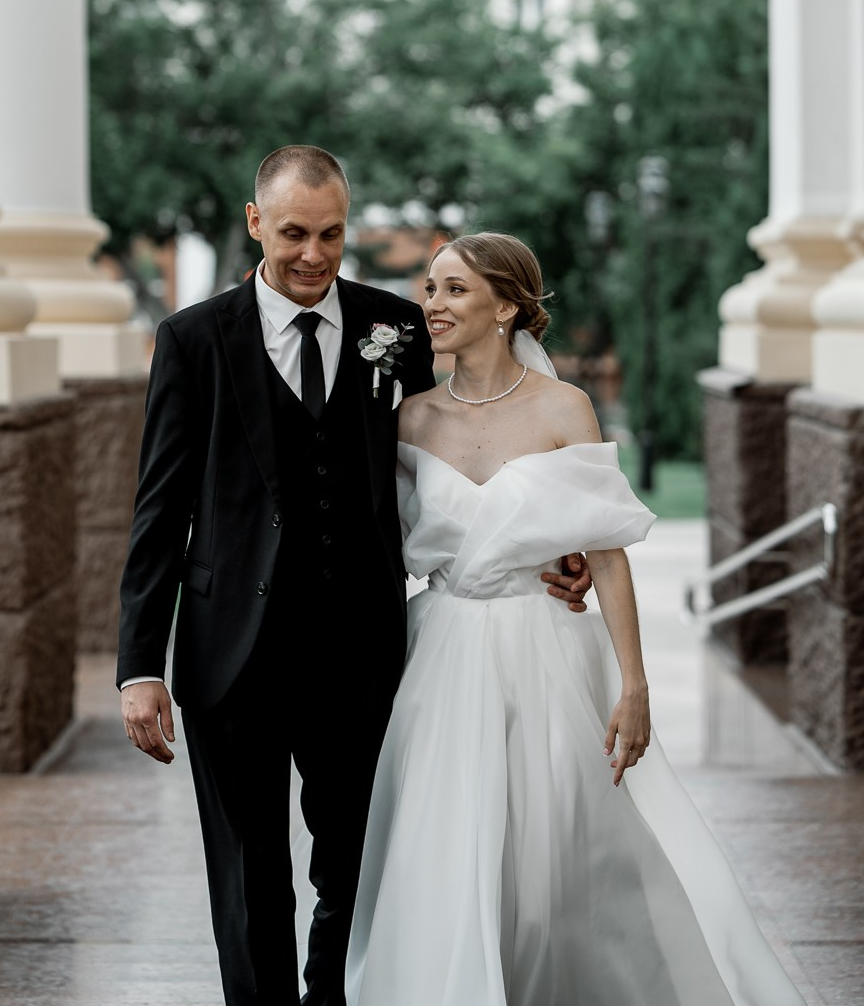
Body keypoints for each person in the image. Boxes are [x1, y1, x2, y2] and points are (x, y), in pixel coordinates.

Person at [116, 150, 592, 1006]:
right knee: (249, 872)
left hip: (363, 653)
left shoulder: (398, 330)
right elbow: (160, 511)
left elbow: (455, 453)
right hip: (231, 656)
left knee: (358, 864)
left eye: (331, 233)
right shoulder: (193, 340)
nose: (313, 253)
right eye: (294, 232)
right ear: (257, 222)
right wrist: (140, 665)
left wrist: (547, 539)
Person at [345, 231, 807, 1006]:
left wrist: (634, 683)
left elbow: (606, 551)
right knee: (445, 847)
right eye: (430, 288)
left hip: (547, 650)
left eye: (455, 289)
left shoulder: (566, 409)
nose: (433, 304)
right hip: (442, 653)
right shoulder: (409, 417)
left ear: (508, 307)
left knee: (558, 852)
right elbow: (377, 544)